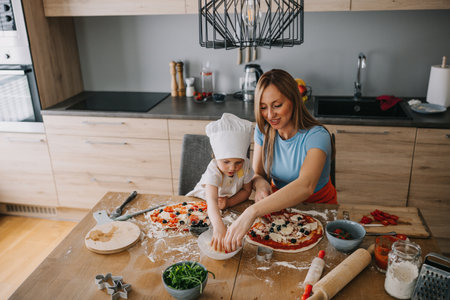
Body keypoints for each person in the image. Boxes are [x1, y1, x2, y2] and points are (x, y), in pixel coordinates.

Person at [224, 69, 337, 252]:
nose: (270, 115)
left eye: (277, 105)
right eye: (263, 107)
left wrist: (252, 211)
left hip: (318, 210)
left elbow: (305, 186)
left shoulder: (317, 136)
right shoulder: (264, 130)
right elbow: (257, 173)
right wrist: (260, 185)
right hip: (277, 208)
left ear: (293, 100)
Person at [186, 113, 254, 251]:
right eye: (226, 162)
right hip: (202, 203)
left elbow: (247, 191)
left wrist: (229, 203)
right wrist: (218, 226)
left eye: (238, 162)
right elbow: (211, 200)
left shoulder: (245, 165)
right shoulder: (214, 170)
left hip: (227, 204)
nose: (232, 168)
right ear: (216, 157)